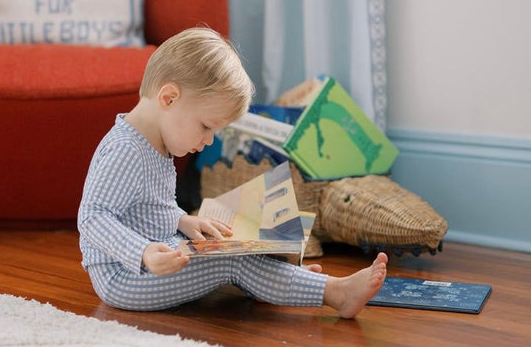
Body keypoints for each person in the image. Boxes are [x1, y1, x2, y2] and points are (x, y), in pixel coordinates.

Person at [78, 27, 387, 316]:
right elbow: (93, 216)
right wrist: (143, 252)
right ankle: (336, 293)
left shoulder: (155, 143)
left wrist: (183, 220)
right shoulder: (125, 149)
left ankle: (285, 280)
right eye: (206, 126)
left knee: (236, 249)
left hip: (158, 255)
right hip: (124, 276)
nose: (209, 140)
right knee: (231, 264)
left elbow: (147, 207)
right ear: (169, 99)